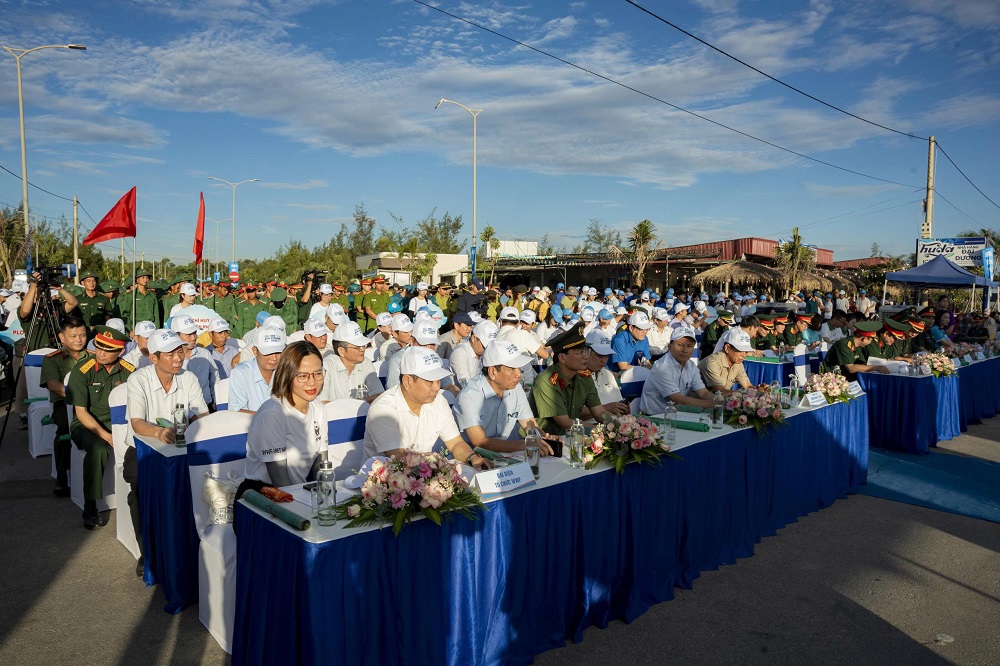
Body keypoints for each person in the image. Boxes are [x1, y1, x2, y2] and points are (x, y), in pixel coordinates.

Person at [126, 328, 209, 575]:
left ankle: (192, 545)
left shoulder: (189, 378)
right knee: (139, 490)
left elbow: (202, 414)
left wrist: (195, 426)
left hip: (182, 447)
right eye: (171, 354)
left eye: (180, 351)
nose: (178, 358)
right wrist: (160, 433)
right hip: (145, 448)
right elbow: (137, 423)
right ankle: (147, 551)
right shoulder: (138, 380)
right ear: (153, 358)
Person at [363, 346, 491, 469]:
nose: (436, 387)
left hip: (424, 475)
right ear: (407, 381)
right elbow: (399, 458)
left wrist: (473, 458)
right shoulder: (383, 409)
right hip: (385, 482)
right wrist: (434, 460)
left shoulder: (439, 401)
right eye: (430, 381)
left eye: (438, 380)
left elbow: (455, 443)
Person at [68, 325, 134, 529]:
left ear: (121, 351)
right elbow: (80, 411)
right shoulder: (82, 370)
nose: (101, 353)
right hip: (86, 425)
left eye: (108, 349)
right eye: (99, 347)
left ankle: (138, 497)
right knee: (97, 449)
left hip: (119, 424)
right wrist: (107, 436)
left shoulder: (130, 371)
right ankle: (90, 505)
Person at [244, 341, 328, 487]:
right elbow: (279, 478)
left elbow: (321, 467)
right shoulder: (272, 414)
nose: (312, 382)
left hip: (297, 491)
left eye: (318, 373)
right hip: (264, 493)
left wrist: (326, 494)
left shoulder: (318, 409)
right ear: (287, 375)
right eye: (303, 376)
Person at [454, 341, 557, 456]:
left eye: (518, 368)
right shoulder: (469, 395)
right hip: (473, 458)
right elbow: (479, 441)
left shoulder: (516, 388)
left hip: (507, 454)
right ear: (492, 372)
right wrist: (524, 445)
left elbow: (530, 426)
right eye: (512, 369)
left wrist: (545, 440)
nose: (519, 374)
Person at [528, 323, 611, 435]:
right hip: (544, 440)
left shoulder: (584, 377)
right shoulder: (546, 381)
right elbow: (565, 422)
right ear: (562, 357)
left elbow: (599, 412)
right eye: (580, 353)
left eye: (586, 351)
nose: (586, 357)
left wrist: (618, 426)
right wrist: (601, 431)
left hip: (572, 437)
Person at [40, 317, 92, 497]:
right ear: (62, 338)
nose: (79, 339)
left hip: (91, 402)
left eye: (83, 335)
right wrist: (79, 396)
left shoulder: (93, 357)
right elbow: (53, 385)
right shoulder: (52, 359)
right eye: (73, 336)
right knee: (64, 426)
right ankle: (62, 474)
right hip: (64, 402)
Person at [640, 326, 716, 413]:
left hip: (676, 415)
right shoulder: (661, 367)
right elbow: (678, 399)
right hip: (655, 418)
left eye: (689, 346)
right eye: (680, 345)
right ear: (669, 347)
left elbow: (703, 393)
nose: (685, 350)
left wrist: (719, 401)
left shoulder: (691, 366)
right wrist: (714, 404)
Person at [228, 326, 286, 413]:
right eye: (268, 352)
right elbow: (237, 410)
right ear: (255, 351)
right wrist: (269, 418)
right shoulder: (241, 372)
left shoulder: (286, 371)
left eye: (278, 352)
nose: (274, 358)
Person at [320, 322, 383, 402]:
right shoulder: (326, 366)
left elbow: (380, 395)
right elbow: (322, 402)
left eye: (363, 345)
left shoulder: (366, 363)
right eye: (357, 347)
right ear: (341, 351)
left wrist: (355, 406)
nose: (362, 349)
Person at [170, 315, 217, 409]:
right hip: (180, 409)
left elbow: (215, 379)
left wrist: (215, 401)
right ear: (176, 335)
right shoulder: (169, 359)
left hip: (206, 408)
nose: (193, 338)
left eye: (194, 333)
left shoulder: (205, 354)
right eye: (188, 334)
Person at [819, 321, 890, 380]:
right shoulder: (844, 345)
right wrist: (875, 367)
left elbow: (862, 363)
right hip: (831, 379)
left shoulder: (858, 346)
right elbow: (851, 368)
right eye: (871, 339)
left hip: (845, 378)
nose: (871, 342)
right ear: (864, 338)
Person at [583, 330, 630, 413]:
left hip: (614, 422)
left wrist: (624, 408)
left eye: (607, 356)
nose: (604, 360)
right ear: (587, 352)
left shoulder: (608, 374)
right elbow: (573, 412)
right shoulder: (576, 376)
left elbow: (619, 401)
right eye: (600, 355)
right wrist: (606, 408)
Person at [698, 328, 754, 395]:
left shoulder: (738, 364)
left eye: (746, 351)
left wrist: (759, 391)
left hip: (713, 402)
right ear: (727, 348)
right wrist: (747, 394)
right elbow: (721, 392)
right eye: (740, 350)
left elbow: (748, 386)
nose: (744, 355)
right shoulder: (712, 363)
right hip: (696, 403)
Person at [449, 319, 498, 389]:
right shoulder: (460, 353)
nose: (488, 350)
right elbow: (466, 384)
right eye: (485, 346)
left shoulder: (484, 352)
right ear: (473, 338)